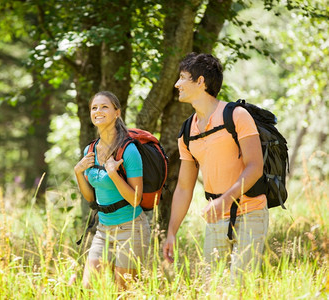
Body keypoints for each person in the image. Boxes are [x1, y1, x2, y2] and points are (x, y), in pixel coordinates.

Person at [162, 53, 269, 279]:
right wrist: (171, 232)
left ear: (200, 82)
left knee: (240, 286)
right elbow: (183, 187)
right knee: (214, 287)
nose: (177, 84)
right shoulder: (187, 131)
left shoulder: (237, 115)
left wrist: (225, 200)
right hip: (216, 218)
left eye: (182, 78)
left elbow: (255, 167)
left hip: (251, 212)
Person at [74, 91, 151, 290]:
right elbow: (91, 197)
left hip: (131, 229)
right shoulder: (89, 150)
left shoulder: (128, 150)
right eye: (94, 108)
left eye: (104, 107)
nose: (98, 111)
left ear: (117, 113)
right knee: (89, 287)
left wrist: (114, 174)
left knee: (123, 292)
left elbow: (135, 199)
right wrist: (78, 172)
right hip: (103, 229)